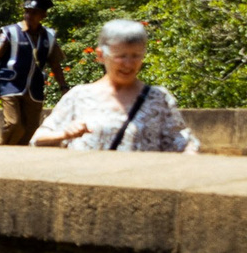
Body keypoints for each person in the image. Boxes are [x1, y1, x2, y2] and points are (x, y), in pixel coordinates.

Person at [33, 20, 200, 153]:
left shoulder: (158, 98)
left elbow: (182, 143)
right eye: (121, 56)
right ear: (100, 55)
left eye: (136, 56)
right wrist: (65, 134)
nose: (129, 64)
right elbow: (37, 140)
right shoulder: (79, 96)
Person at [0, 0, 69, 146]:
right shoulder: (9, 32)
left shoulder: (49, 36)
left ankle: (17, 159)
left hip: (35, 87)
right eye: (27, 11)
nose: (29, 16)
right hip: (10, 85)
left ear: (43, 15)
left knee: (30, 130)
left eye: (34, 13)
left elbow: (55, 64)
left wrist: (63, 87)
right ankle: (2, 152)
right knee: (14, 124)